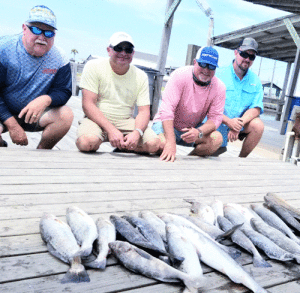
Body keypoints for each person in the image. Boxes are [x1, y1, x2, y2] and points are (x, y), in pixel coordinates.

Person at [0, 5, 73, 149]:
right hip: (3, 111)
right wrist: (12, 125)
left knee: (66, 115)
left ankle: (42, 153)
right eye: (36, 29)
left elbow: (64, 91)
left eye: (49, 33)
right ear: (24, 28)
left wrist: (45, 100)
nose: (42, 37)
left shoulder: (60, 58)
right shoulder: (4, 49)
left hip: (34, 114)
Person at [76, 32, 160, 154]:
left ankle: (123, 145)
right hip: (97, 119)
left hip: (126, 121)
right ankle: (121, 143)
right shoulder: (93, 66)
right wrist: (110, 130)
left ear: (133, 53)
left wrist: (137, 133)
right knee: (86, 143)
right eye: (118, 48)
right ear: (109, 50)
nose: (123, 53)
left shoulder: (141, 76)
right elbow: (88, 105)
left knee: (154, 145)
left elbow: (144, 112)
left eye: (128, 50)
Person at [152, 46, 226, 162]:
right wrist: (171, 142)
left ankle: (189, 161)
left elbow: (216, 118)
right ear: (195, 62)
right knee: (161, 144)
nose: (206, 70)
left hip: (191, 130)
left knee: (217, 139)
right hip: (166, 125)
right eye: (203, 64)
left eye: (211, 66)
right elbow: (167, 110)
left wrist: (199, 132)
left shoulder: (220, 87)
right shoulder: (179, 75)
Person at [216, 37, 264, 157]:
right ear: (236, 52)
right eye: (244, 54)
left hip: (239, 125)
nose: (247, 59)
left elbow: (256, 108)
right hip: (217, 123)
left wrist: (239, 124)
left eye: (251, 57)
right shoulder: (218, 74)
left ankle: (241, 160)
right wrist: (229, 122)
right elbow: (207, 106)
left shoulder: (256, 81)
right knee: (209, 152)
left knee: (258, 125)